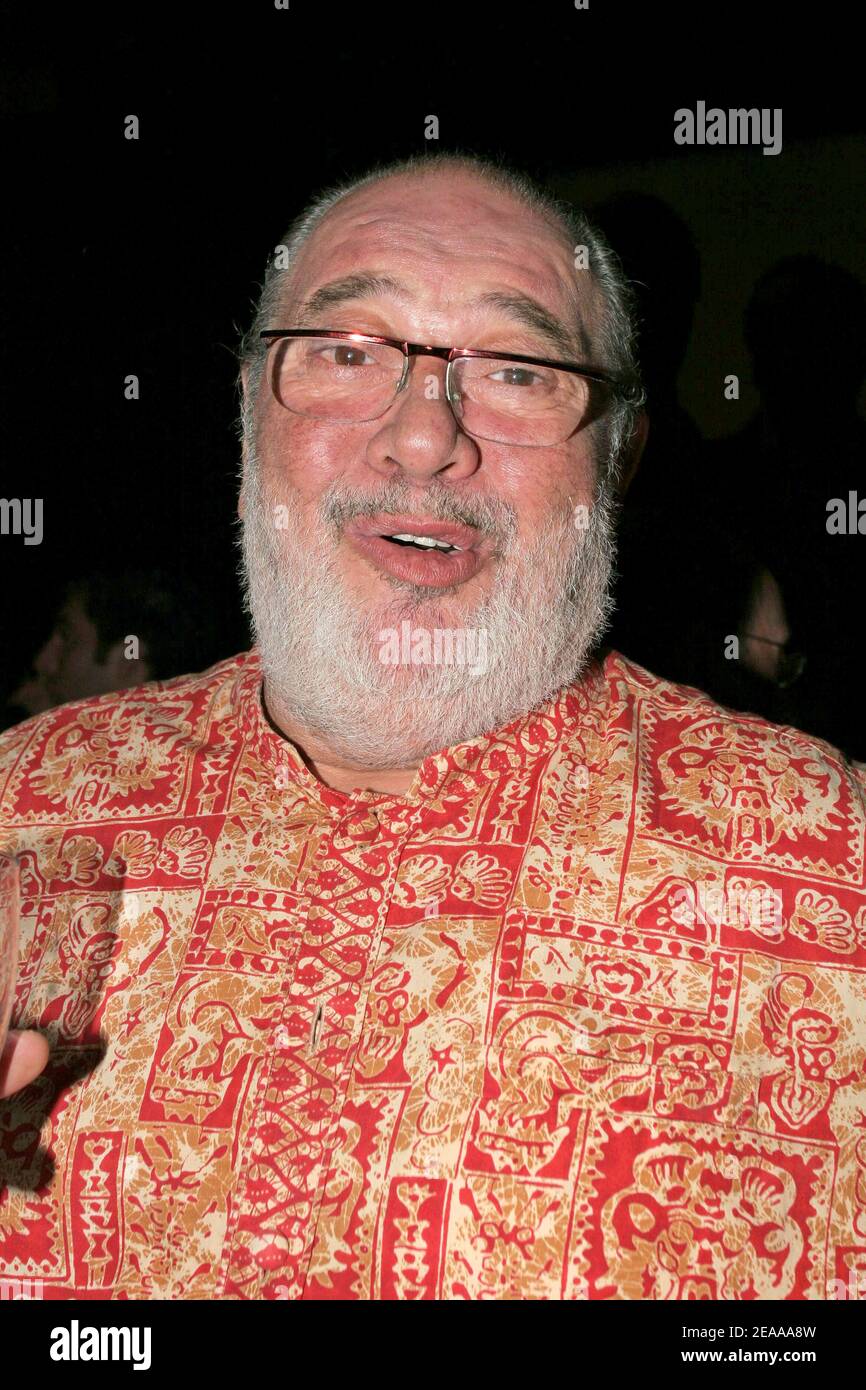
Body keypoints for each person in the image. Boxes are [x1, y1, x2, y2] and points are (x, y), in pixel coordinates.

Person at [1, 151, 865, 1302]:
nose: (420, 438)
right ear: (248, 411)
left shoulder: (826, 864)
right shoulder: (28, 793)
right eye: (345, 352)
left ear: (619, 456)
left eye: (515, 370)